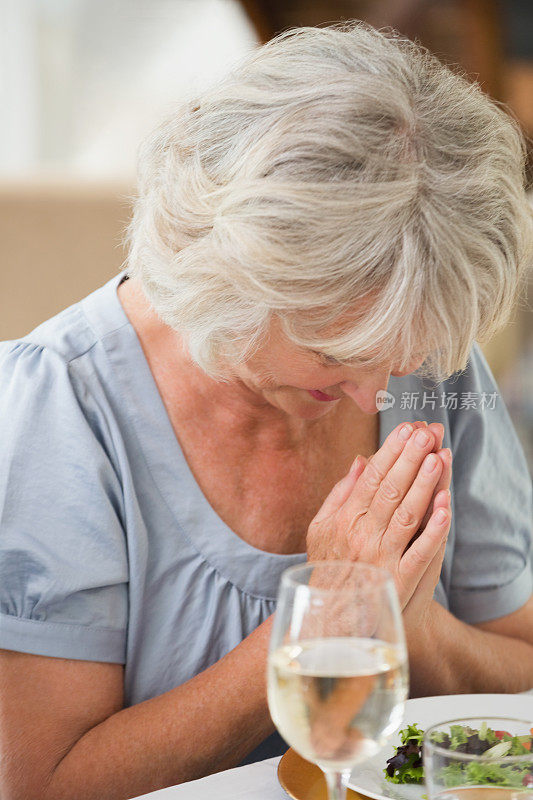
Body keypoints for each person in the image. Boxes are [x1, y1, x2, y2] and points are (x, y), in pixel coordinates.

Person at [0, 22, 532, 800]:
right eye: (333, 354)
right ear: (220, 278)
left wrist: (409, 630)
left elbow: (519, 667)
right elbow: (45, 786)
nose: (379, 390)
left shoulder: (416, 351)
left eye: (403, 354)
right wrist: (322, 626)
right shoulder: (56, 411)